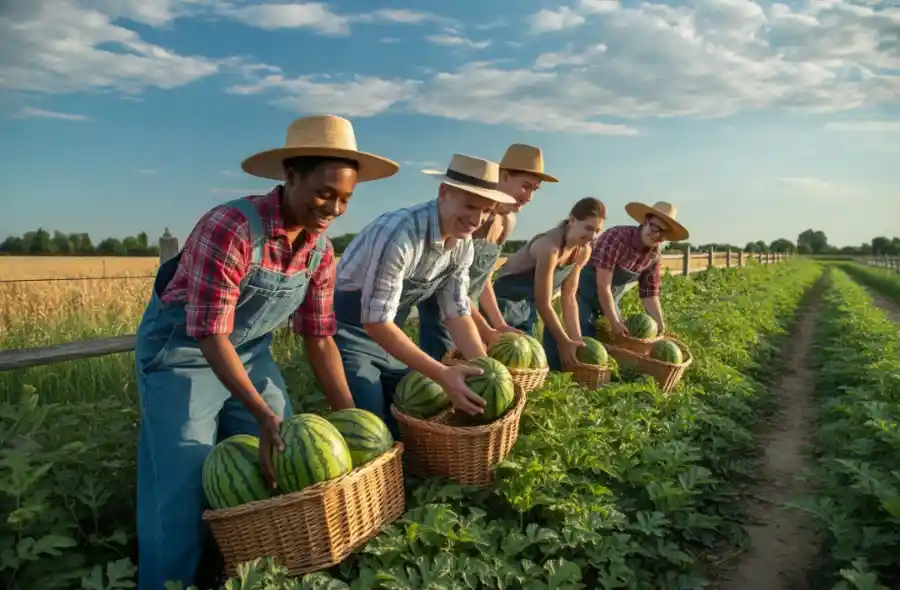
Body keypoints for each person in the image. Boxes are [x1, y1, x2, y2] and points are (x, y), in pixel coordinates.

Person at [132, 115, 399, 590]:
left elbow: (319, 337)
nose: (334, 208)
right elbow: (212, 334)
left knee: (289, 466)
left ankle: (257, 572)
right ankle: (169, 580)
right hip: (184, 354)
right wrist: (260, 412)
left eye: (345, 199)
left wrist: (352, 421)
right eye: (324, 193)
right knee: (180, 480)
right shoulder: (232, 227)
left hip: (250, 352)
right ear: (290, 175)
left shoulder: (320, 251)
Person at [332, 153, 518, 436]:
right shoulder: (399, 233)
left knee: (420, 412)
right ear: (444, 193)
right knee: (375, 429)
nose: (476, 219)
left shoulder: (463, 244)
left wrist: (487, 373)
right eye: (470, 205)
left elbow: (457, 313)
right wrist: (443, 374)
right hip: (347, 332)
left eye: (487, 211)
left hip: (391, 334)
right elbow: (374, 321)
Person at [416, 143, 558, 361]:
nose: (529, 196)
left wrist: (499, 324)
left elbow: (484, 279)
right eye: (525, 186)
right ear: (503, 177)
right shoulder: (466, 220)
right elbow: (450, 284)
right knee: (446, 370)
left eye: (534, 190)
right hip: (445, 310)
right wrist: (485, 328)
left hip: (469, 308)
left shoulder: (506, 221)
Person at [491, 198, 607, 371]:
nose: (592, 236)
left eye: (597, 231)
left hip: (527, 309)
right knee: (504, 362)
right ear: (572, 219)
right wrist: (563, 341)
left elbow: (569, 298)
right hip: (503, 305)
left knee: (527, 366)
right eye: (588, 228)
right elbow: (544, 303)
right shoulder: (549, 248)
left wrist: (576, 342)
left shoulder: (583, 251)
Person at [576, 200, 690, 342]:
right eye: (655, 227)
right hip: (583, 293)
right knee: (584, 336)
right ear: (646, 222)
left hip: (611, 298)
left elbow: (649, 294)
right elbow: (603, 286)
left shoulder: (654, 255)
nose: (657, 235)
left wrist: (660, 327)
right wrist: (614, 321)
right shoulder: (617, 238)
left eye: (663, 233)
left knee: (615, 340)